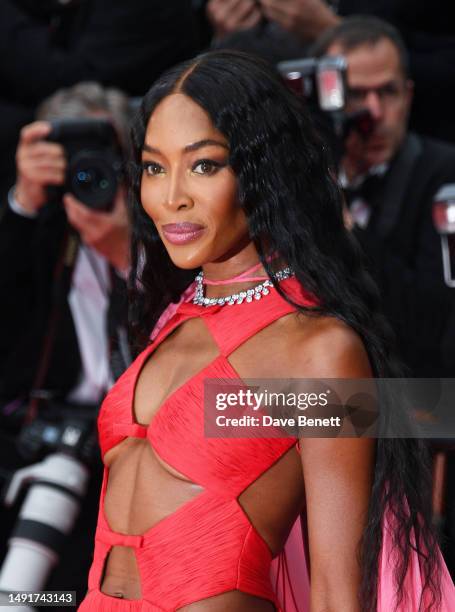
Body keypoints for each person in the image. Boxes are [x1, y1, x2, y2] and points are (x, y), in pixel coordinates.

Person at [78, 50, 455, 611]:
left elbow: (335, 593)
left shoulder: (315, 351)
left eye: (204, 164)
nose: (171, 195)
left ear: (262, 171)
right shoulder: (169, 322)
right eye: (154, 167)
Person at [0, 82, 132, 600]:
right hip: (40, 433)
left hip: (133, 444)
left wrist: (127, 255)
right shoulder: (38, 231)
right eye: (71, 158)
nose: (89, 173)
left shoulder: (168, 233)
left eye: (103, 156)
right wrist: (23, 203)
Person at [309, 16, 455, 378]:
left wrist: (345, 227)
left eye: (387, 92)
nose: (373, 112)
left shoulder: (444, 176)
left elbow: (433, 325)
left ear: (408, 95)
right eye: (356, 94)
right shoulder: (302, 177)